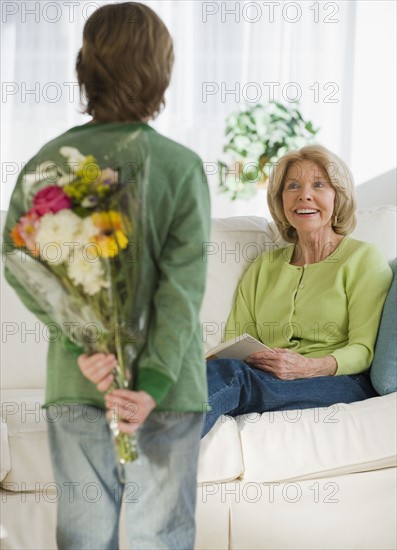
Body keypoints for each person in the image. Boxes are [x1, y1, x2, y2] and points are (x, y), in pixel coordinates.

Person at [4, 3, 210, 549]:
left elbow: (19, 258)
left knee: (84, 537)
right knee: (159, 537)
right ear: (163, 73)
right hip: (165, 395)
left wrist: (85, 347)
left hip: (78, 383)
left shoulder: (51, 165)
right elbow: (181, 290)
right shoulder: (180, 168)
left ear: (84, 69)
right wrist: (153, 384)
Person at [201, 144, 393, 436]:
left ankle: (152, 455)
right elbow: (236, 341)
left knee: (233, 377)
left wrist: (308, 367)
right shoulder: (263, 267)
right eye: (293, 186)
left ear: (338, 196)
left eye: (318, 184)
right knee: (211, 371)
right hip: (266, 379)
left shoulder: (363, 259)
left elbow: (364, 349)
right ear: (280, 199)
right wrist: (257, 358)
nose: (304, 195)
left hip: (341, 381)